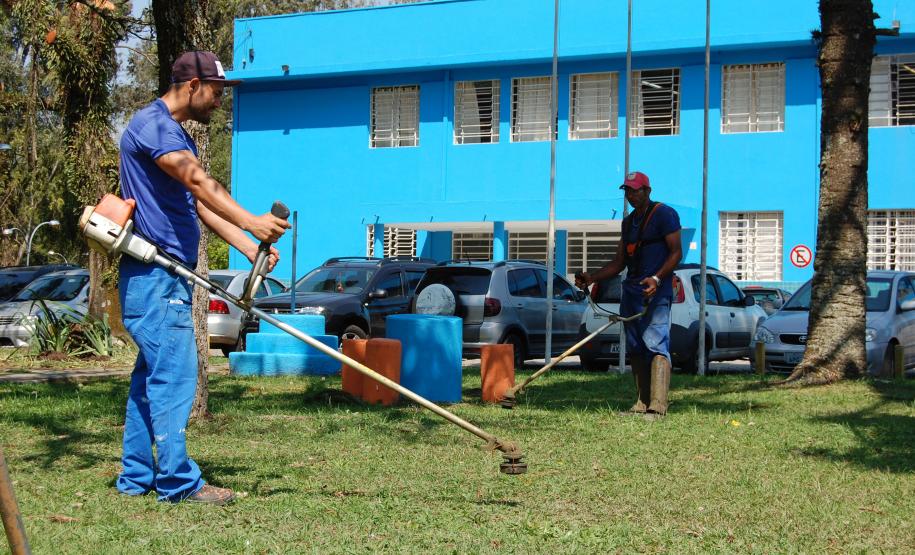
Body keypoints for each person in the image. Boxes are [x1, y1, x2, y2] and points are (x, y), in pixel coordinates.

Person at [117, 50, 290, 504]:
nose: (219, 101)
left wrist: (249, 246)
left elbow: (196, 205)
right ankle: (178, 483)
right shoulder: (153, 125)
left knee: (150, 379)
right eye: (216, 91)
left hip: (160, 276)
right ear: (191, 84)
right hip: (155, 275)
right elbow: (198, 183)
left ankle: (136, 478)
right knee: (175, 376)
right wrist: (252, 220)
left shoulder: (173, 135)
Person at [576, 172, 682, 420]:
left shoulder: (665, 214)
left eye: (635, 190)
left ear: (648, 190)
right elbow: (619, 263)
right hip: (632, 290)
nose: (631, 195)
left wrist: (657, 278)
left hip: (655, 289)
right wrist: (592, 277)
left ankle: (658, 405)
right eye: (627, 191)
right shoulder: (628, 222)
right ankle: (641, 402)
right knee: (635, 346)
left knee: (655, 343)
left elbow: (676, 252)